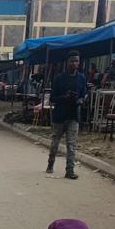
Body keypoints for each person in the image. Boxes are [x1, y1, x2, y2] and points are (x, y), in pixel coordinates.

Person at [46, 50, 87, 180]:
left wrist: (81, 100)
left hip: (74, 115)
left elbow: (84, 94)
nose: (75, 63)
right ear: (67, 62)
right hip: (59, 116)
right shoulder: (59, 78)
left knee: (71, 144)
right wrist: (65, 97)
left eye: (77, 61)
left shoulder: (81, 78)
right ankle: (50, 163)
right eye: (72, 61)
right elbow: (52, 98)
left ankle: (70, 170)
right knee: (55, 143)